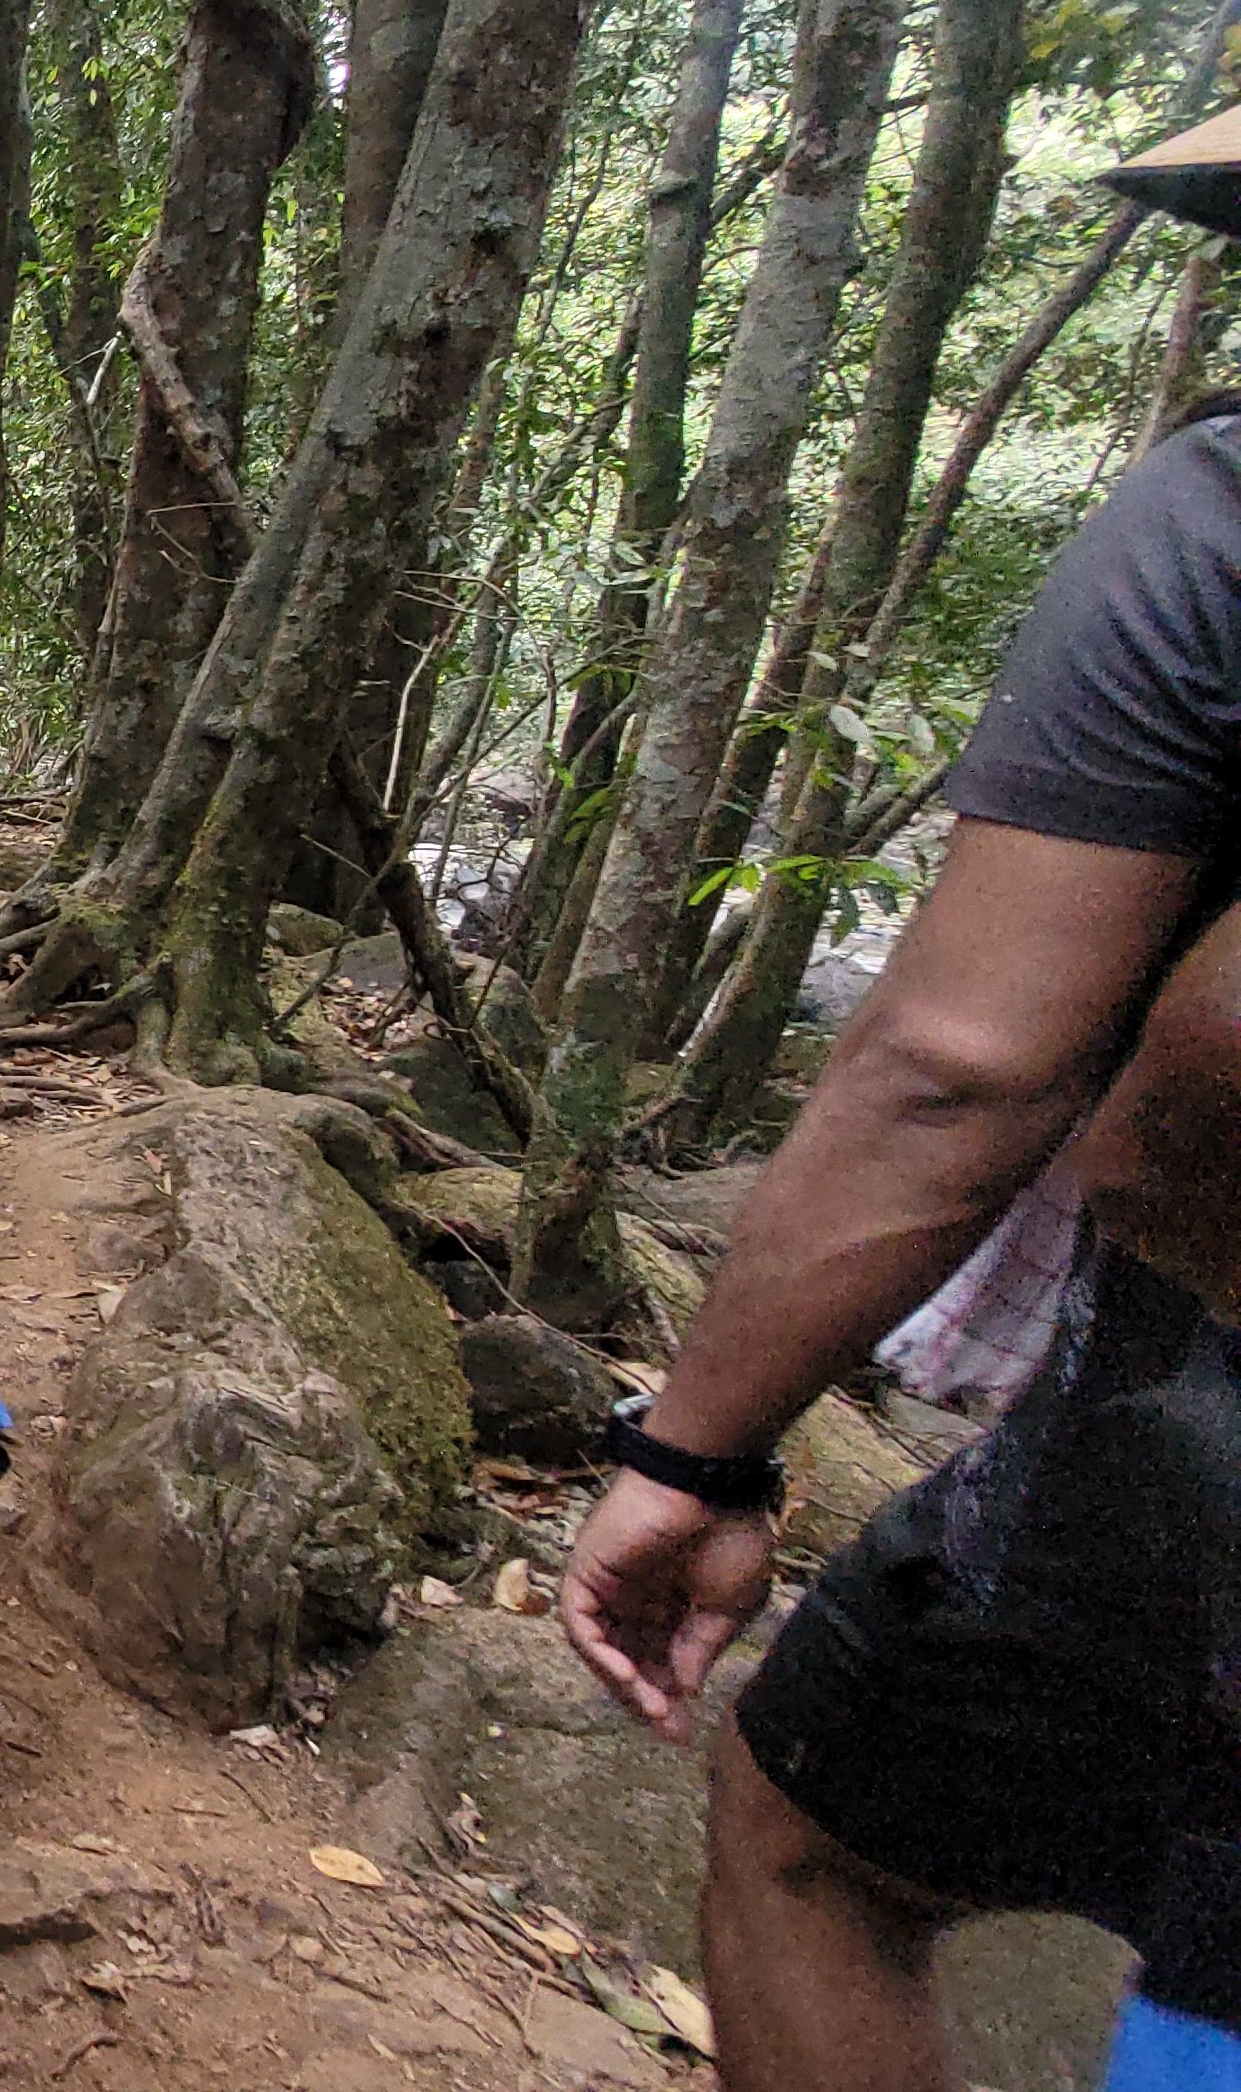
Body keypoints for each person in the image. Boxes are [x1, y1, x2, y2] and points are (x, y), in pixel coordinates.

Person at [553, 107, 1241, 2092]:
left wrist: (690, 1457)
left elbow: (960, 1060)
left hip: (1186, 1443)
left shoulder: (1209, 523)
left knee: (804, 1833)